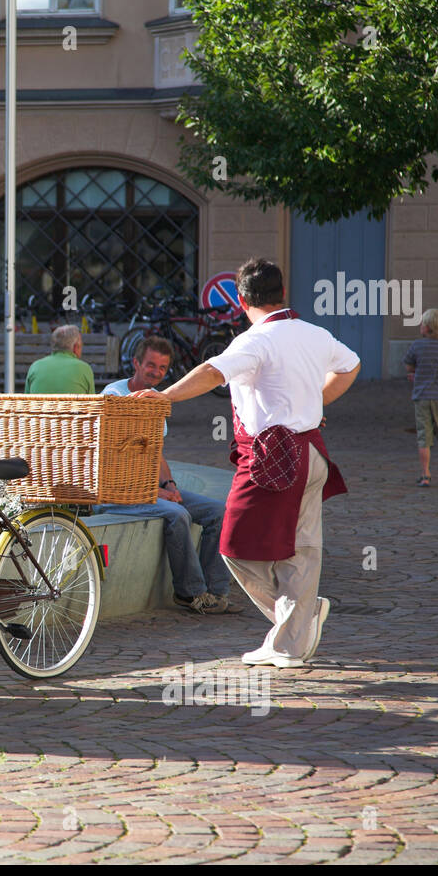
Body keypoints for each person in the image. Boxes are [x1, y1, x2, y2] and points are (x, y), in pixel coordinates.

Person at [139, 257, 360, 667]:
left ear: (240, 299)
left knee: (233, 544)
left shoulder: (254, 341)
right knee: (302, 549)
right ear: (283, 292)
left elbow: (210, 372)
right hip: (312, 451)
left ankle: (297, 625)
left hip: (272, 455)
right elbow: (351, 365)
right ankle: (290, 640)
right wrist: (319, 400)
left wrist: (165, 396)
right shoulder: (313, 333)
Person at [96, 337, 239, 613]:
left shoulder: (156, 400)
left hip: (148, 489)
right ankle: (189, 593)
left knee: (219, 512)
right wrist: (159, 493)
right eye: (150, 365)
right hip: (117, 492)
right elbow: (114, 462)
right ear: (136, 363)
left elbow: (156, 452)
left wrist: (169, 485)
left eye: (162, 368)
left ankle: (217, 593)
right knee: (178, 515)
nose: (156, 373)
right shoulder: (114, 397)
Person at [404, 308, 438, 486]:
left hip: (422, 397)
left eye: (422, 323)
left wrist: (415, 374)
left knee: (424, 436)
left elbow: (409, 366)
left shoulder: (417, 346)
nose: (420, 326)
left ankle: (425, 474)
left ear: (427, 328)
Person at [26, 325, 94, 394]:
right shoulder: (84, 369)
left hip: (40, 405)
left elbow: (26, 401)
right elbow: (92, 403)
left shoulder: (35, 367)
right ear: (75, 347)